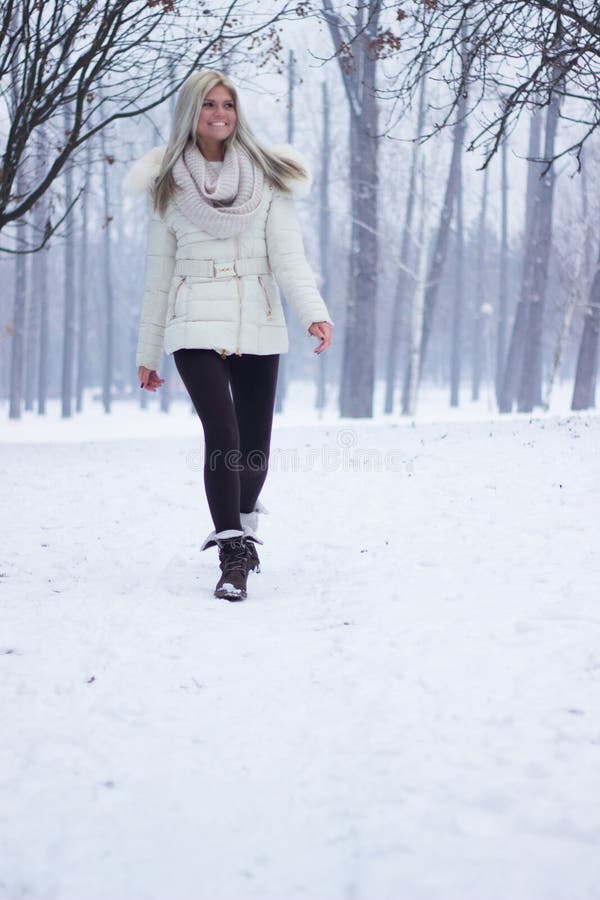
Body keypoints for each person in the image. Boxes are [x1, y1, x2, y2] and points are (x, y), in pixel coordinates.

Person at [127, 69, 334, 602]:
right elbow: (157, 276)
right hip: (192, 319)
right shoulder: (167, 184)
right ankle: (232, 553)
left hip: (258, 321)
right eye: (208, 105)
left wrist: (313, 311)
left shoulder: (268, 180)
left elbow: (288, 256)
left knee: (255, 449)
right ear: (191, 113)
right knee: (222, 433)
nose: (220, 114)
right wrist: (148, 351)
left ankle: (241, 525)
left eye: (228, 105)